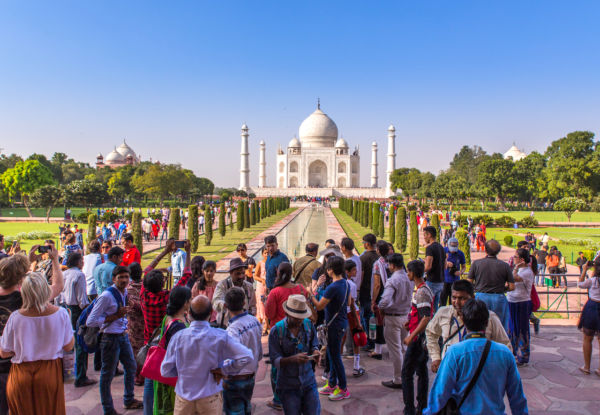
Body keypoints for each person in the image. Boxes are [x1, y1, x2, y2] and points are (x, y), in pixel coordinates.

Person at [423, 299, 528, 415]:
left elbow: (440, 393)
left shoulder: (454, 353)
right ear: (487, 321)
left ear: (463, 320)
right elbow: (517, 397)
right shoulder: (505, 353)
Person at [160, 295, 253, 414]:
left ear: (188, 313)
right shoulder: (220, 336)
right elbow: (247, 356)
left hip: (184, 400)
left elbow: (165, 370)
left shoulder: (178, 337)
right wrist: (224, 369)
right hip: (210, 399)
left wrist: (185, 371)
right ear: (211, 313)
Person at [0, 272, 74, 415]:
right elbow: (68, 346)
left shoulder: (15, 317)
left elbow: (4, 352)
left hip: (20, 374)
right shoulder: (61, 314)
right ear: (46, 290)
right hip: (49, 372)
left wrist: (23, 346)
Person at [86, 265, 143, 414]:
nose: (124, 280)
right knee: (107, 375)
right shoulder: (107, 296)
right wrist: (115, 316)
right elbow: (91, 321)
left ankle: (129, 399)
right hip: (110, 338)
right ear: (113, 279)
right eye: (120, 277)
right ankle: (108, 408)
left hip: (122, 335)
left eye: (126, 277)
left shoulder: (124, 292)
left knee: (131, 367)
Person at [425, 279, 511, 372]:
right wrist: (436, 357)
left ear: (473, 297)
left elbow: (505, 346)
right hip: (450, 369)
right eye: (454, 298)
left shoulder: (489, 317)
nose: (457, 302)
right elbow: (430, 333)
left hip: (479, 372)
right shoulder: (443, 313)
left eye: (462, 298)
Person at [268, 294, 321, 415]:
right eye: (296, 318)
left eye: (302, 317)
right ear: (287, 314)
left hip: (308, 382)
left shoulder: (308, 325)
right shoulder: (276, 331)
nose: (300, 321)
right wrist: (292, 359)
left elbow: (314, 344)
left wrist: (315, 352)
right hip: (288, 386)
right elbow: (275, 361)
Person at [309, 256, 352, 401]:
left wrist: (311, 293)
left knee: (335, 357)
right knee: (333, 355)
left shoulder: (333, 287)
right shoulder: (345, 283)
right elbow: (349, 302)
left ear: (330, 270)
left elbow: (319, 306)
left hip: (334, 325)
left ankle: (343, 388)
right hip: (340, 323)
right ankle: (332, 383)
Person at [147, 286, 191, 415]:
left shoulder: (168, 317)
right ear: (185, 303)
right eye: (190, 300)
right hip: (172, 374)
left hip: (164, 369)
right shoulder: (178, 326)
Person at [223, 288, 263, 415]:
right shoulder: (254, 321)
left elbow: (235, 358)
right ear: (244, 303)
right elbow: (259, 350)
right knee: (246, 407)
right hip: (250, 375)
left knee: (236, 410)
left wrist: (224, 371)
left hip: (236, 379)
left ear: (225, 306)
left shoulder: (233, 330)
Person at [402, 260, 433, 415]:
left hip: (418, 340)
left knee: (407, 373)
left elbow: (426, 317)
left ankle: (409, 409)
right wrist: (411, 321)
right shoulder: (422, 289)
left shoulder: (421, 292)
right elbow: (420, 314)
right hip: (420, 337)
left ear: (413, 273)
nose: (407, 274)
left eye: (408, 272)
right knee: (421, 371)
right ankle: (422, 406)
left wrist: (411, 336)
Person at [378, 253, 412, 389]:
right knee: (403, 348)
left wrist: (380, 307)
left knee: (396, 350)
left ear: (392, 265)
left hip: (393, 317)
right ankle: (406, 375)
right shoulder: (409, 277)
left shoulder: (393, 280)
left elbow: (385, 300)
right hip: (405, 316)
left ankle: (399, 379)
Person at [62, 252, 96, 387]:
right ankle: (81, 376)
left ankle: (70, 373)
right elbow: (82, 299)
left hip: (66, 309)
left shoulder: (64, 274)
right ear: (78, 262)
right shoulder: (79, 275)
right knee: (81, 343)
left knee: (69, 343)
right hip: (77, 311)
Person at [467, 239, 514, 333]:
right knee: (500, 327)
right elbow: (512, 287)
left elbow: (469, 283)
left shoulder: (476, 263)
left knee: (480, 326)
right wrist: (503, 288)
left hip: (481, 296)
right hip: (499, 297)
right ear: (498, 251)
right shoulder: (505, 266)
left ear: (485, 250)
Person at [508, 248, 534, 366]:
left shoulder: (527, 272)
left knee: (522, 329)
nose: (514, 258)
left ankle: (523, 355)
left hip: (522, 302)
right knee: (512, 328)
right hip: (512, 301)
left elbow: (513, 278)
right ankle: (512, 352)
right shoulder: (521, 270)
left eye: (515, 257)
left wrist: (515, 268)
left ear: (521, 260)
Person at [213, 258, 257, 327]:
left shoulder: (249, 287)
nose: (241, 276)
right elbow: (215, 302)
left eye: (243, 273)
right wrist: (226, 305)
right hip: (225, 325)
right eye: (237, 274)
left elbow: (253, 306)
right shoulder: (223, 285)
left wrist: (250, 316)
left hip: (243, 326)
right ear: (231, 273)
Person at [265, 262, 311, 328]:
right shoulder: (301, 288)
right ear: (291, 273)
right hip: (298, 329)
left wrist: (265, 303)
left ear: (278, 273)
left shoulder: (274, 292)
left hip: (280, 329)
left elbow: (270, 315)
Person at [577, 258, 600, 376]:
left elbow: (580, 284)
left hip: (592, 307)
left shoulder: (592, 280)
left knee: (587, 338)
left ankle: (587, 366)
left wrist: (584, 270)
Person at [343, 260, 366, 377]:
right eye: (353, 270)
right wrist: (357, 321)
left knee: (341, 341)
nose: (356, 271)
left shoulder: (339, 283)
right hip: (352, 313)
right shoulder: (351, 285)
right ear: (347, 272)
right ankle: (356, 367)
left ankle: (335, 369)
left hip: (343, 313)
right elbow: (352, 303)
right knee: (356, 337)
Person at [370, 240, 391, 359]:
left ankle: (378, 351)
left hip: (382, 294)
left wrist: (373, 300)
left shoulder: (378, 264)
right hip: (392, 292)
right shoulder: (392, 261)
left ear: (378, 250)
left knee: (379, 322)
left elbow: (377, 284)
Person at [359, 234, 379, 351]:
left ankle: (370, 341)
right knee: (376, 317)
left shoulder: (363, 258)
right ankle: (377, 340)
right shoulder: (379, 256)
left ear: (366, 244)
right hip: (378, 291)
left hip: (366, 291)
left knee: (366, 317)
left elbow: (360, 277)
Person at [126, 262, 145, 385]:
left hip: (133, 323)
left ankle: (137, 375)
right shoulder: (146, 286)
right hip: (144, 322)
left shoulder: (128, 289)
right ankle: (142, 374)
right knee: (144, 348)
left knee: (134, 349)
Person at [422, 226, 446, 311]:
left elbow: (428, 266)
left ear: (429, 235)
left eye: (424, 235)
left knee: (427, 307)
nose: (424, 237)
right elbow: (445, 266)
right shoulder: (441, 247)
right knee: (435, 307)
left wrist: (418, 270)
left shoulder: (430, 248)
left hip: (432, 281)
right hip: (441, 281)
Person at [441, 237, 465, 307]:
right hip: (444, 280)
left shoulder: (460, 253)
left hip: (455, 281)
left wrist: (460, 272)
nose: (453, 251)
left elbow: (464, 267)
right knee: (443, 301)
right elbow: (437, 263)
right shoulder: (443, 251)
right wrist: (446, 263)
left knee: (454, 302)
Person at [253, 247, 269, 332]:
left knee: (268, 304)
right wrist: (262, 280)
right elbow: (255, 275)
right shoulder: (260, 263)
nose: (267, 255)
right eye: (265, 253)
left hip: (269, 286)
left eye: (268, 253)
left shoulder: (271, 263)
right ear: (262, 254)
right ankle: (264, 324)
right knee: (261, 304)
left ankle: (267, 324)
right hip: (261, 286)